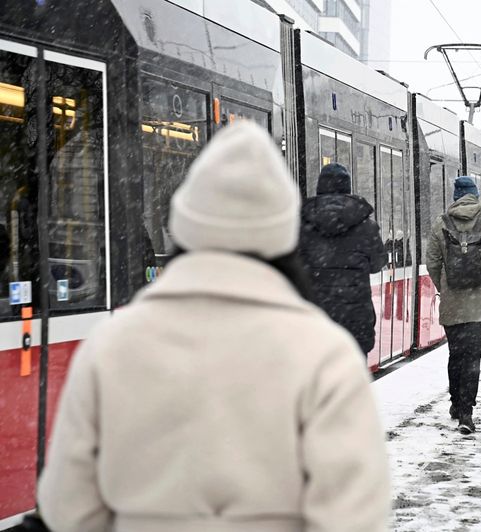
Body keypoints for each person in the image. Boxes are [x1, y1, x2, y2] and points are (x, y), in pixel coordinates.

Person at [37, 122, 391, 532]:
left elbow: (69, 511)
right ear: (282, 237)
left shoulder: (112, 347)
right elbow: (351, 517)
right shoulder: (325, 357)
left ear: (185, 227)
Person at [426, 176, 481, 435]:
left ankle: (454, 402)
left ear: (455, 195)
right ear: (475, 194)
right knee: (473, 359)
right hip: (479, 305)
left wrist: (444, 287)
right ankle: (466, 412)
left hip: (453, 303)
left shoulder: (441, 223)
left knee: (455, 355)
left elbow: (432, 262)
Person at [299, 163, 387, 355]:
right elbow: (377, 263)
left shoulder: (301, 225)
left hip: (315, 321)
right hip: (355, 321)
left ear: (320, 187)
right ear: (347, 188)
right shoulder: (366, 226)